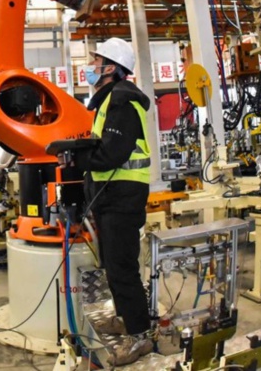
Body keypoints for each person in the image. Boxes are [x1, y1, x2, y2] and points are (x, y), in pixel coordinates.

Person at [74, 37, 153, 367]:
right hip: (111, 197)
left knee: (123, 270)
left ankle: (140, 337)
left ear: (112, 68)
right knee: (112, 265)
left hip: (123, 197)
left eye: (96, 62)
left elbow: (112, 154)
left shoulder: (121, 101)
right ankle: (126, 319)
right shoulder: (109, 101)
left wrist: (79, 158)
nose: (91, 67)